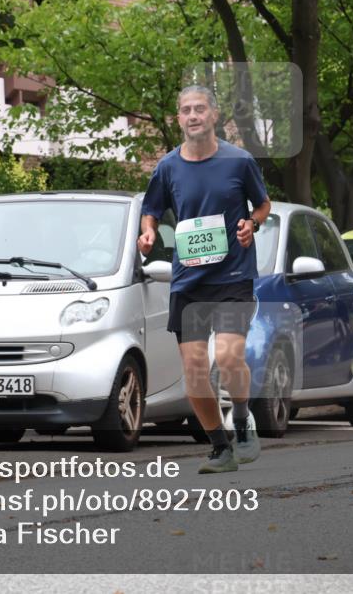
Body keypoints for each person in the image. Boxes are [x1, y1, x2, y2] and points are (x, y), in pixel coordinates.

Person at [138, 85, 271, 473]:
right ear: (178, 118)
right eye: (185, 110)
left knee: (229, 356)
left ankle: (243, 421)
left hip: (233, 276)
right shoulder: (167, 167)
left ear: (214, 115)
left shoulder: (239, 161)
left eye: (199, 109)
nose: (192, 115)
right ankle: (219, 447)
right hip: (188, 281)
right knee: (195, 368)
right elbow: (152, 210)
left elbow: (262, 204)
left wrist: (252, 224)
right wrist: (148, 233)